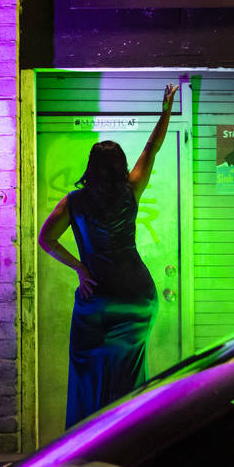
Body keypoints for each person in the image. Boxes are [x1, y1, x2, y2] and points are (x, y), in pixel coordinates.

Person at [39, 83, 177, 428]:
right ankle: (130, 435)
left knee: (86, 365)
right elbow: (153, 147)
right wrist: (164, 111)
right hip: (136, 297)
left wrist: (81, 269)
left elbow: (46, 240)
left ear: (92, 167)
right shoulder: (132, 190)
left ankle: (88, 437)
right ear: (120, 167)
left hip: (98, 299)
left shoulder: (74, 203)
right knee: (129, 375)